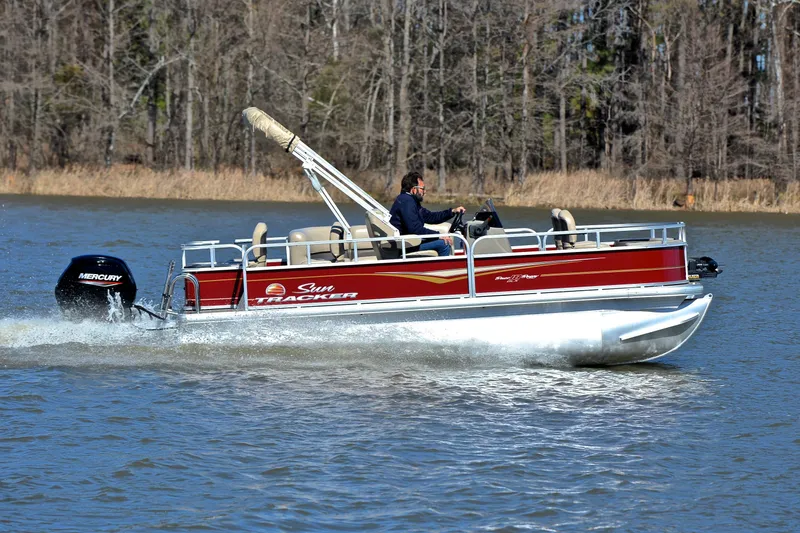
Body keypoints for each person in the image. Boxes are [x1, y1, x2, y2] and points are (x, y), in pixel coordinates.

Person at [389, 171, 466, 256]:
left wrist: (452, 212)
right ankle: (442, 268)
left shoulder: (409, 200)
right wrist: (438, 235)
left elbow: (430, 216)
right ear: (414, 189)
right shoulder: (407, 202)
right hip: (405, 246)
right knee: (444, 244)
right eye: (422, 189)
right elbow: (415, 229)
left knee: (442, 239)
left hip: (409, 242)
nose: (425, 192)